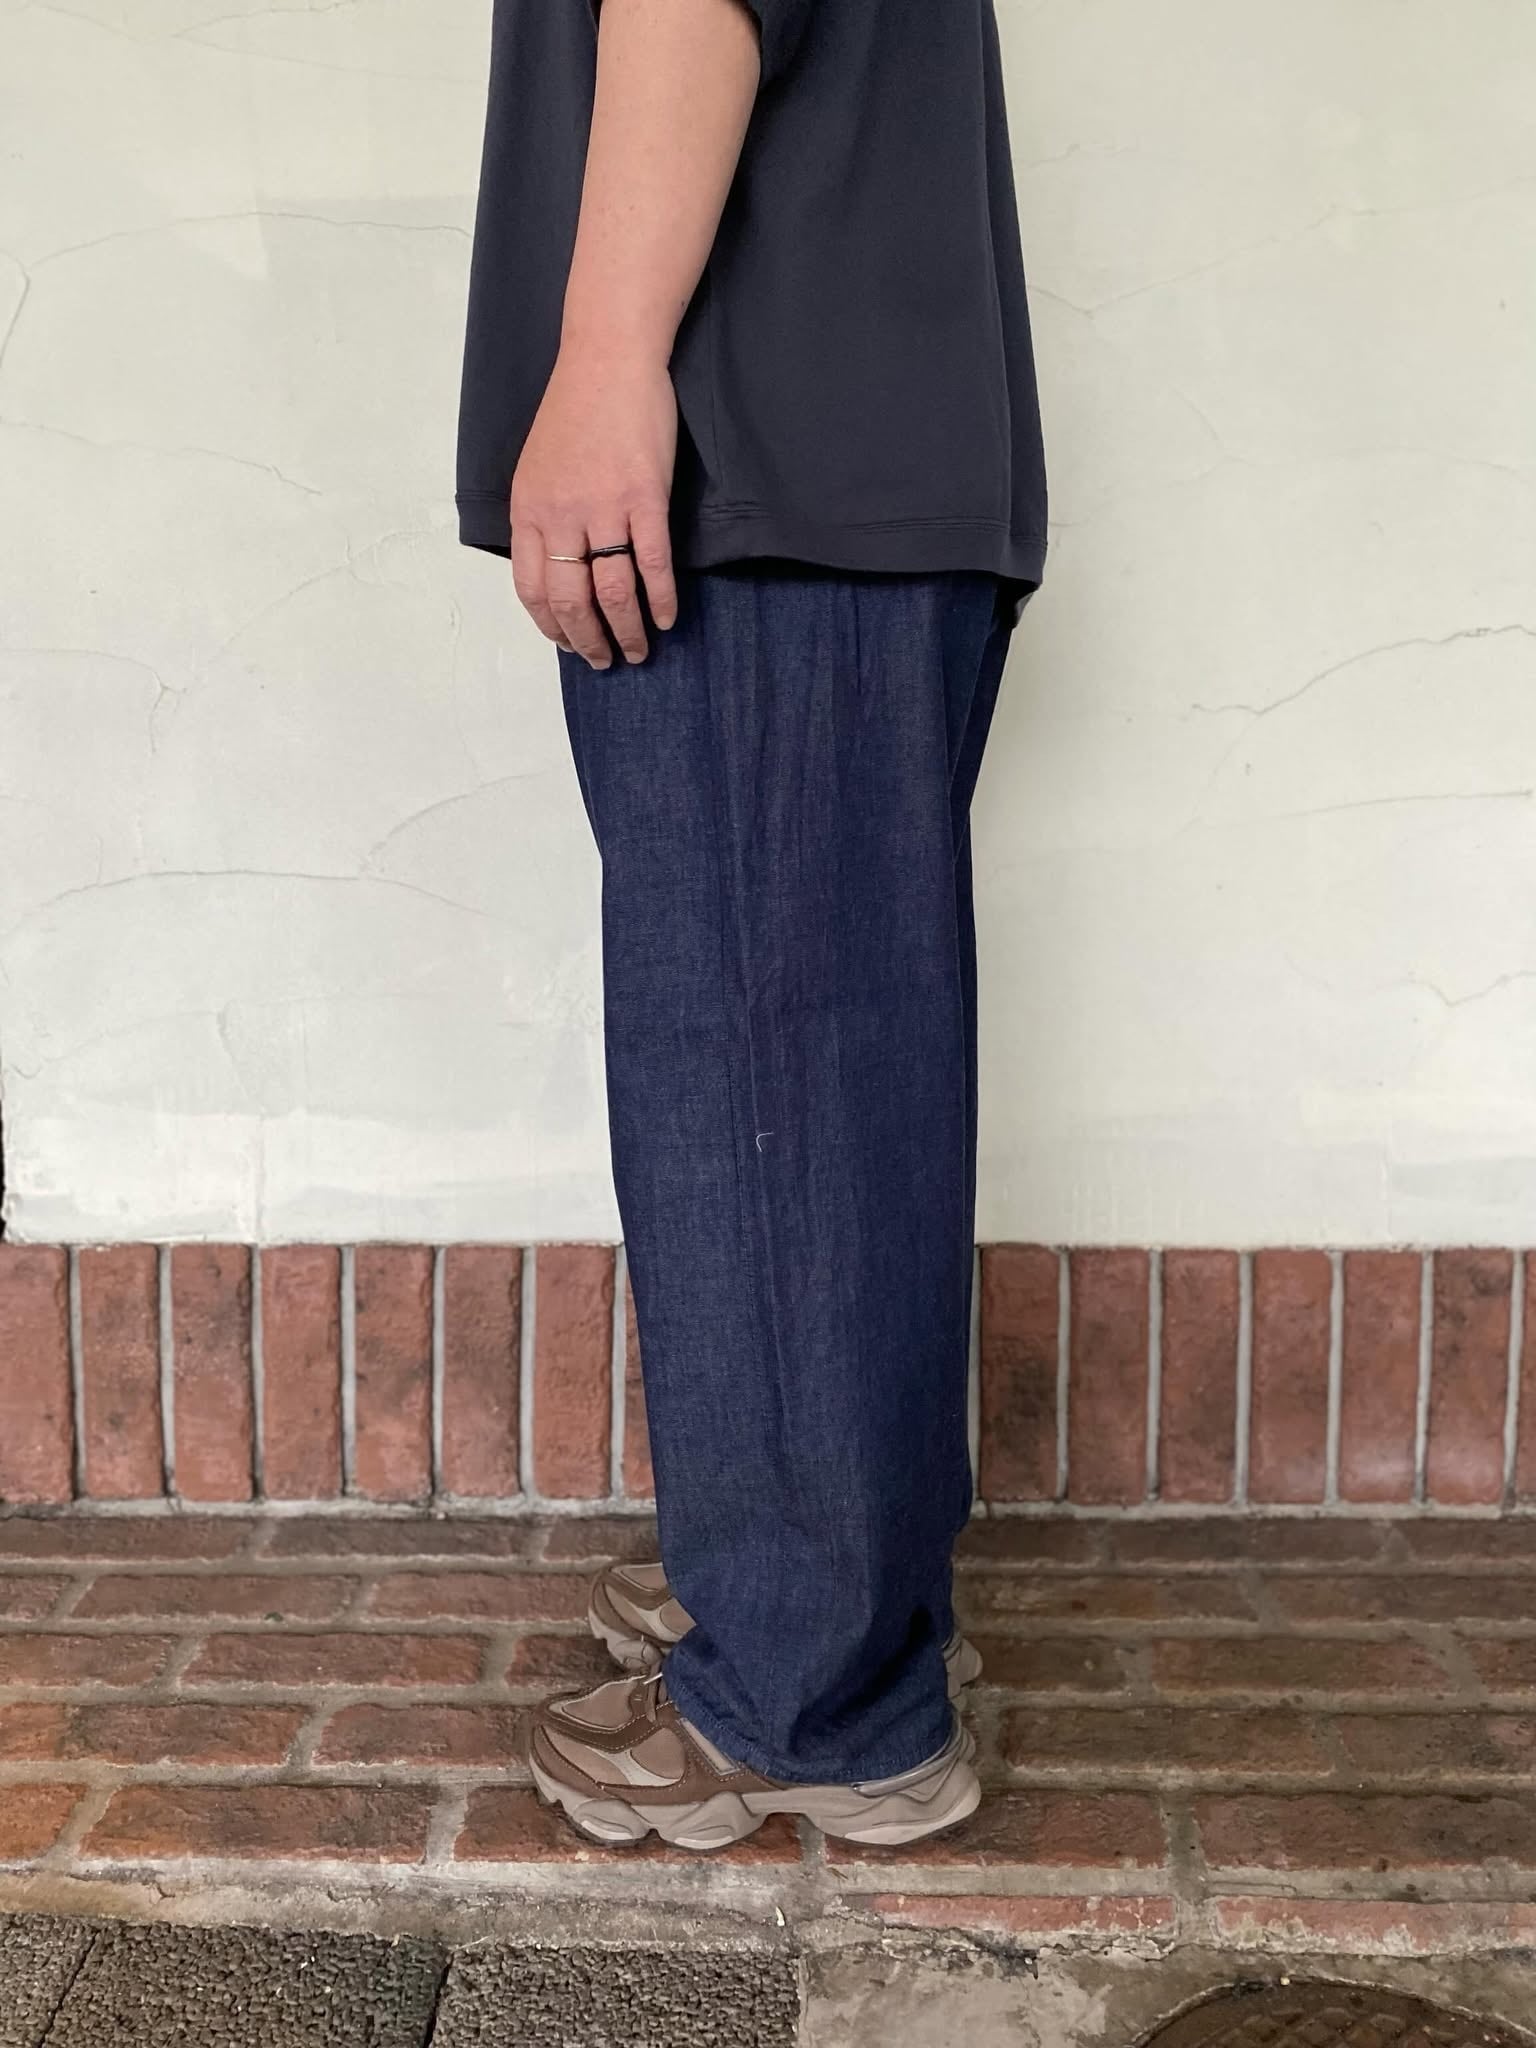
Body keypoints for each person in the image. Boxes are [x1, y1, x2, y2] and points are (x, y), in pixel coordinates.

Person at [457, 0, 1047, 1852]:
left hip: (761, 473)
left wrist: (605, 360)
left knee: (763, 1092)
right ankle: (824, 1583)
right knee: (827, 1080)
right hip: (840, 468)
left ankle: (811, 1692)